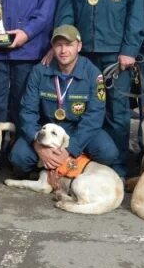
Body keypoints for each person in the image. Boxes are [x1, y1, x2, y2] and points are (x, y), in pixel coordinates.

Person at [54, 0, 144, 177]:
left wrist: (129, 50)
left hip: (115, 55)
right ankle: (85, 163)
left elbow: (135, 12)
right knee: (83, 109)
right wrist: (66, 45)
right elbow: (66, 11)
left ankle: (117, 168)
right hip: (83, 55)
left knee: (117, 112)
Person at [10, 25, 118, 175]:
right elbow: (27, 112)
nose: (63, 51)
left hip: (78, 129)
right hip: (47, 129)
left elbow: (94, 117)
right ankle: (43, 171)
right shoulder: (39, 71)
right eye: (58, 45)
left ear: (79, 46)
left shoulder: (93, 73)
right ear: (52, 47)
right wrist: (38, 145)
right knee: (19, 157)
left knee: (107, 152)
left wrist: (70, 149)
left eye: (69, 45)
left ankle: (75, 168)